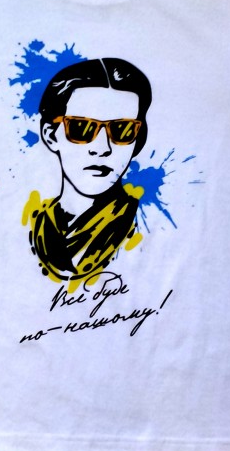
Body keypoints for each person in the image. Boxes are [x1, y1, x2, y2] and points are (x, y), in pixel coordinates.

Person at [22, 58, 152, 286]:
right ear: (51, 135)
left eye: (122, 130)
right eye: (81, 128)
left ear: (137, 141)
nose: (102, 148)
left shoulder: (145, 223)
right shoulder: (38, 223)